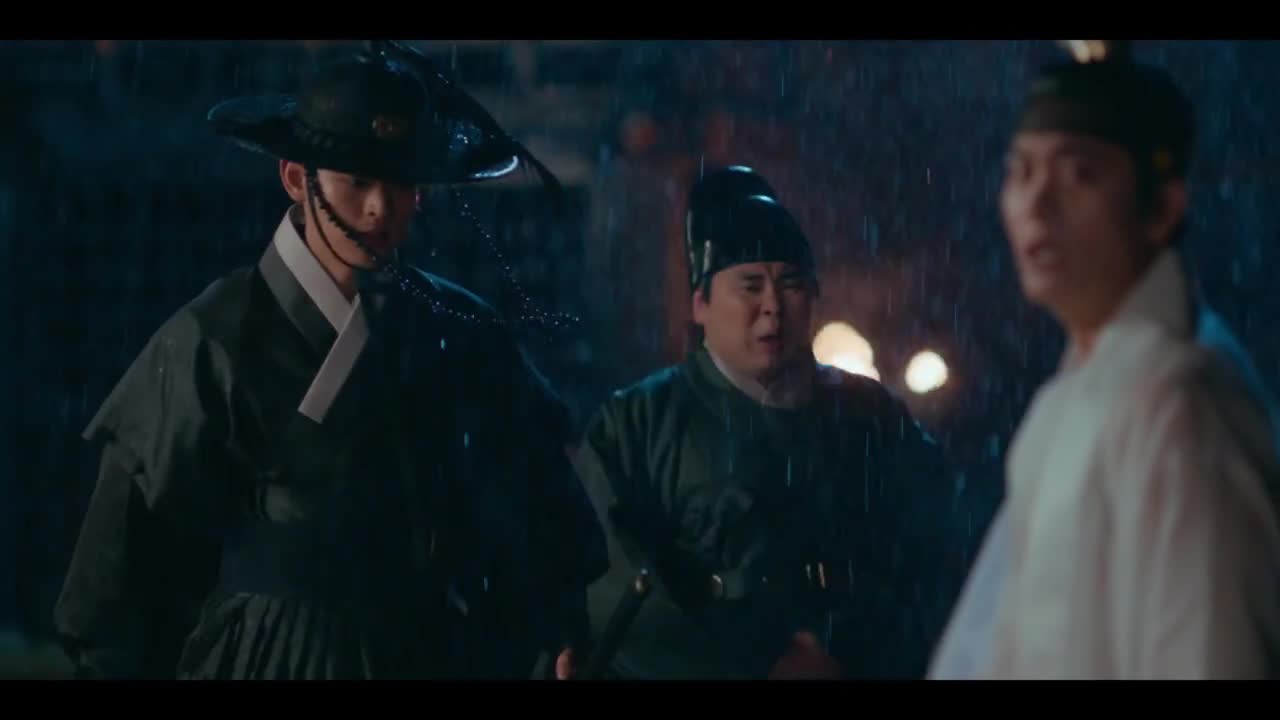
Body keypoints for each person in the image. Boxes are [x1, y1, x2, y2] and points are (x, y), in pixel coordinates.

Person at [52, 44, 607, 680]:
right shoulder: (214, 336)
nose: (380, 208)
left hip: (426, 648)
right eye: (358, 182)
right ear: (297, 177)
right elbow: (122, 563)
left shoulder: (462, 331)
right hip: (266, 656)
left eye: (399, 182)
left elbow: (539, 504)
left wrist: (558, 624)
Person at [929, 41, 1280, 680]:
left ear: (1162, 208)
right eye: (1020, 173)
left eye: (1079, 175)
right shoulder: (1066, 398)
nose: (1036, 203)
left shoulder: (1182, 401)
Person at [572, 165, 966, 680]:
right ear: (701, 303)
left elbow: (936, 549)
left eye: (791, 284)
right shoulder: (636, 425)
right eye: (750, 286)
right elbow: (604, 581)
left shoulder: (869, 414)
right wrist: (754, 667)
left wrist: (847, 652)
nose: (772, 307)